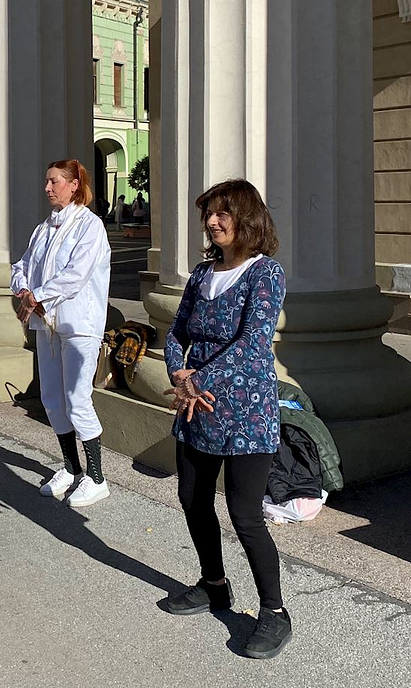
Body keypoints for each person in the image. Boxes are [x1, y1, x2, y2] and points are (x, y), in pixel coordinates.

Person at [161, 179, 290, 660]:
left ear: (248, 219)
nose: (213, 222)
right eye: (209, 214)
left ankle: (275, 613)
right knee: (193, 500)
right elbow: (177, 331)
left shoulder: (265, 274)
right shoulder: (201, 273)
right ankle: (214, 583)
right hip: (196, 406)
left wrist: (195, 382)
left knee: (245, 515)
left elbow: (254, 344)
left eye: (223, 213)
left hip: (246, 412)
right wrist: (178, 370)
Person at [11, 159, 112, 507]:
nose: (48, 188)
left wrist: (37, 295)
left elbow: (77, 274)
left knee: (77, 399)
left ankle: (97, 477)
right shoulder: (43, 229)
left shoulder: (90, 226)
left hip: (78, 324)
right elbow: (21, 265)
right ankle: (71, 468)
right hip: (46, 323)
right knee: (52, 399)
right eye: (47, 181)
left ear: (74, 185)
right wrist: (23, 289)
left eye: (54, 181)